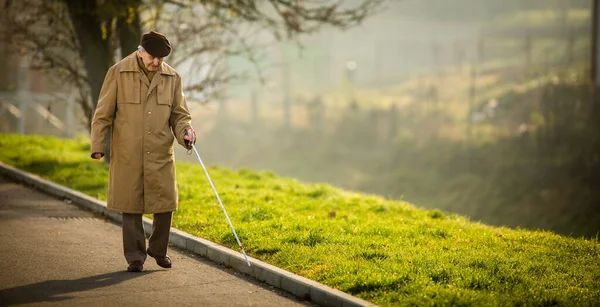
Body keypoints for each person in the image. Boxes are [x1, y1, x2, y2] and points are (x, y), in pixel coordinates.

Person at [90, 30, 196, 272]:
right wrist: (98, 146)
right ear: (141, 51)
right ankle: (135, 256)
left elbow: (180, 116)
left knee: (165, 204)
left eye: (160, 59)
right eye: (152, 57)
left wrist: (186, 133)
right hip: (128, 152)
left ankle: (158, 250)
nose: (156, 63)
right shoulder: (118, 72)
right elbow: (102, 114)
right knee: (131, 205)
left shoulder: (172, 78)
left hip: (160, 152)